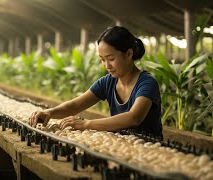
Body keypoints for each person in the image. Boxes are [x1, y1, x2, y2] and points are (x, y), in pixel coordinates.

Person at [29, 26, 162, 138]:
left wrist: (86, 124)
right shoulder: (108, 82)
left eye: (110, 59)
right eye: (102, 59)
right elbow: (76, 105)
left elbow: (134, 117)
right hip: (123, 143)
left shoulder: (147, 83)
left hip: (152, 149)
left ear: (128, 54)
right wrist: (49, 113)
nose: (106, 66)